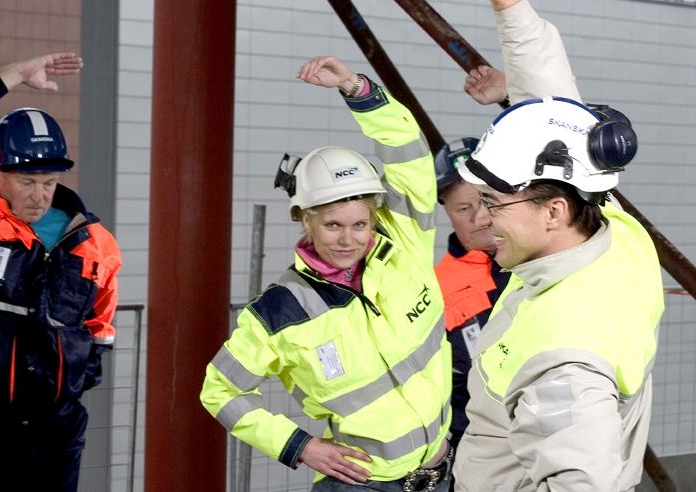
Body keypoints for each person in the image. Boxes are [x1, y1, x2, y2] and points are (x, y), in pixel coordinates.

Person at [201, 55, 453, 491]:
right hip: (360, 484)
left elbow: (408, 152)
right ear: (306, 220)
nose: (348, 239)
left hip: (441, 473)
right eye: (332, 225)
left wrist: (358, 89)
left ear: (374, 218)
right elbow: (220, 391)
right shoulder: (279, 311)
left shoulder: (406, 244)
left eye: (360, 224)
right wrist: (300, 446)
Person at [451, 1, 665, 490]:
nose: (480, 221)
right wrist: (511, 9)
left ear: (553, 211)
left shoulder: (562, 358)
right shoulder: (613, 230)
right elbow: (553, 102)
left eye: (493, 203)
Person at [0, 53, 122, 492]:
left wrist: (69, 387)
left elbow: (100, 332)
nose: (40, 195)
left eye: (49, 182)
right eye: (27, 182)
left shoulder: (95, 246)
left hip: (52, 436)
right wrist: (8, 78)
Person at [433, 138, 510, 455]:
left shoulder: (542, 260)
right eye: (464, 209)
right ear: (446, 210)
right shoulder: (435, 288)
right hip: (477, 448)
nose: (481, 219)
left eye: (487, 201)